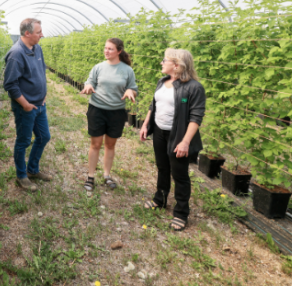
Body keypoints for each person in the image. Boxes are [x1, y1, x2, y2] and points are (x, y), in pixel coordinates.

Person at [139, 48, 206, 231]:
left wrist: (185, 142)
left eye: (164, 60)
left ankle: (181, 213)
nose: (161, 63)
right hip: (160, 132)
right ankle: (159, 200)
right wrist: (146, 125)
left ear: (176, 65)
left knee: (180, 175)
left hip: (178, 136)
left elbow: (196, 117)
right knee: (162, 167)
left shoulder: (193, 87)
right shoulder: (163, 81)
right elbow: (153, 105)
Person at [80, 38, 138, 192]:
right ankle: (90, 176)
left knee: (110, 144)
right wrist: (89, 86)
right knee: (96, 144)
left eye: (110, 49)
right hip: (97, 110)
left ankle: (106, 175)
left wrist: (129, 91)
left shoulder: (127, 70)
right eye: (105, 48)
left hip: (117, 112)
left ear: (119, 51)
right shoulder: (98, 67)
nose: (106, 51)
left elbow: (133, 88)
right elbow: (89, 82)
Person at [4, 18, 52, 192]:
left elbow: (41, 71)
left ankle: (32, 170)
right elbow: (10, 84)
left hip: (40, 105)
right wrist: (24, 104)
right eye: (39, 32)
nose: (42, 35)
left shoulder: (37, 48)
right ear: (27, 33)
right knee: (23, 141)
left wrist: (44, 94)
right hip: (26, 107)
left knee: (44, 137)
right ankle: (21, 175)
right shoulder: (16, 54)